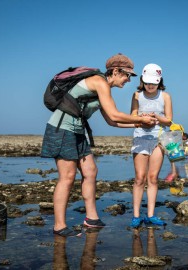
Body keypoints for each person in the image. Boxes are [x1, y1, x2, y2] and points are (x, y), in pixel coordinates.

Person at [41, 54, 157, 237]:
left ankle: (91, 218)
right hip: (62, 129)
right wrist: (140, 118)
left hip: (78, 131)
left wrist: (139, 123)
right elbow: (116, 114)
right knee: (67, 176)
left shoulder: (104, 89)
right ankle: (59, 226)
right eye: (128, 75)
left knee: (90, 171)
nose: (129, 80)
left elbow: (112, 121)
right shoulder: (99, 82)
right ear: (116, 71)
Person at [130, 63, 172, 228]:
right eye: (147, 82)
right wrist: (142, 118)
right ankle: (135, 216)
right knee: (140, 177)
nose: (150, 86)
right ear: (142, 80)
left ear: (159, 81)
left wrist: (155, 117)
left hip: (158, 140)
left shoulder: (165, 96)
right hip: (140, 138)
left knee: (153, 178)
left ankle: (151, 215)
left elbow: (168, 120)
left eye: (154, 83)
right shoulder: (137, 95)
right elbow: (132, 115)